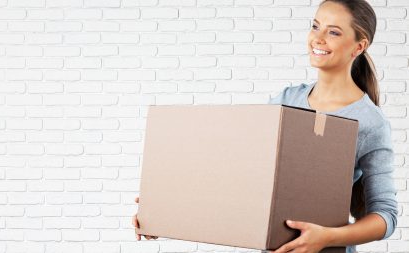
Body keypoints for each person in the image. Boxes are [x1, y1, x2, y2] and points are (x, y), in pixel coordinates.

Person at [132, 0, 398, 252]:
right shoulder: (283, 101)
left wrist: (328, 236)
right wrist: (164, 211)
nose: (318, 38)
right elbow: (240, 180)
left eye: (334, 32)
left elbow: (385, 215)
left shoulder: (370, 121)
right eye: (315, 26)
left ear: (359, 47)